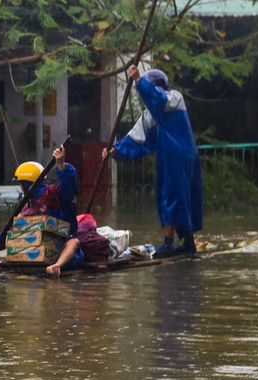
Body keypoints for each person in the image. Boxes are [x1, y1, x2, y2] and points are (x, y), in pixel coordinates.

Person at [110, 64, 203, 256]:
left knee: (176, 195)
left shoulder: (174, 98)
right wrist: (115, 151)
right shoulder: (152, 115)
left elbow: (158, 100)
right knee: (172, 195)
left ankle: (171, 242)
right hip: (170, 156)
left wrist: (138, 80)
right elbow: (137, 138)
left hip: (180, 156)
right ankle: (187, 242)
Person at [0, 143, 78, 255]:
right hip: (37, 248)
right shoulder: (28, 205)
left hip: (62, 241)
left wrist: (61, 166)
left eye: (21, 184)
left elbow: (68, 189)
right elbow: (16, 231)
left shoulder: (51, 193)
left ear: (26, 184)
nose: (20, 188)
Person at [44, 213, 116, 276]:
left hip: (65, 254)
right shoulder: (74, 237)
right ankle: (56, 265)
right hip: (56, 247)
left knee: (73, 241)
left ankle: (57, 265)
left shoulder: (78, 240)